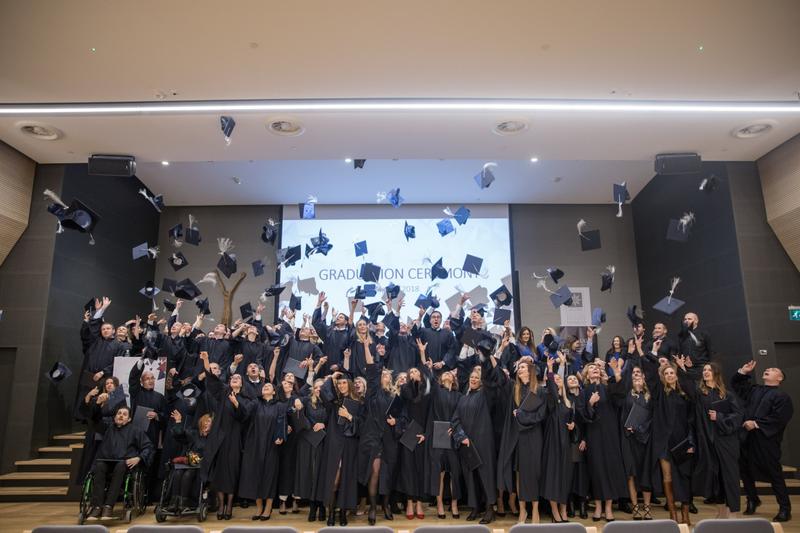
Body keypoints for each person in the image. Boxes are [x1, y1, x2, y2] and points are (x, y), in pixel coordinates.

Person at [677, 359, 743, 518]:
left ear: (716, 374)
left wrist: (719, 417)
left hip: (726, 442)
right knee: (715, 477)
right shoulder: (700, 394)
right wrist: (681, 368)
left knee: (730, 477)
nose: (705, 372)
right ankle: (720, 512)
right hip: (707, 442)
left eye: (709, 370)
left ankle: (732, 512)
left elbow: (738, 416)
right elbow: (687, 386)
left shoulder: (726, 394)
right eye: (704, 370)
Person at [638, 347, 695, 525]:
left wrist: (683, 369)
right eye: (667, 373)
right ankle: (673, 513)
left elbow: (693, 418)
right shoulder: (659, 393)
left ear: (677, 375)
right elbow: (650, 374)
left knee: (685, 476)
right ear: (663, 376)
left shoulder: (685, 394)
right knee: (667, 477)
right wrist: (652, 353)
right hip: (663, 442)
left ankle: (685, 512)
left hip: (683, 441)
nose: (670, 375)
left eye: (672, 372)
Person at [732, 360, 794, 522]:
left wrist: (757, 424)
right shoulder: (755, 390)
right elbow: (737, 385)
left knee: (775, 474)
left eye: (773, 369)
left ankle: (785, 508)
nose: (768, 369)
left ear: (779, 378)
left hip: (766, 440)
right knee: (745, 471)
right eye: (767, 369)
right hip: (747, 437)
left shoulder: (782, 396)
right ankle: (752, 500)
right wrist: (744, 372)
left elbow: (780, 418)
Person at [494, 350, 547, 524]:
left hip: (534, 436)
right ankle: (523, 510)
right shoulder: (514, 389)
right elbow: (499, 376)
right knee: (520, 474)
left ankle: (535, 510)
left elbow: (540, 416)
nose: (520, 369)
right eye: (519, 367)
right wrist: (498, 352)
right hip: (518, 437)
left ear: (530, 370)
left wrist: (522, 416)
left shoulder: (538, 390)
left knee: (534, 473)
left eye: (523, 366)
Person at [198, 350, 250, 520]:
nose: (235, 380)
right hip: (219, 438)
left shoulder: (246, 398)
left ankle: (229, 506)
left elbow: (245, 417)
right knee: (219, 474)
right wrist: (206, 359)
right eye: (233, 378)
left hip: (234, 440)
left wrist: (237, 405)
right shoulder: (223, 393)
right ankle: (220, 505)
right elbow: (211, 380)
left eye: (238, 379)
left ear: (242, 384)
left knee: (231, 472)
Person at [577, 362, 628, 521]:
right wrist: (590, 403)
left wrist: (616, 374)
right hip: (594, 435)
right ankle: (598, 506)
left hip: (610, 434)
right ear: (586, 374)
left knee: (611, 469)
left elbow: (620, 398)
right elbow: (581, 417)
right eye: (591, 368)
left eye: (597, 368)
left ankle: (608, 507)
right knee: (597, 469)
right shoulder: (584, 392)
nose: (595, 370)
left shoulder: (608, 388)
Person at [85, 405, 153, 521]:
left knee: (121, 465)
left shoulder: (135, 431)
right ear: (115, 416)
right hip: (106, 461)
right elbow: (95, 420)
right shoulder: (107, 428)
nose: (121, 415)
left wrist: (139, 458)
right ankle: (96, 506)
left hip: (124, 463)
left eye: (124, 414)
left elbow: (148, 447)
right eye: (119, 413)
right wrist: (97, 405)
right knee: (99, 465)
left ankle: (108, 506)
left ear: (129, 419)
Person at [451, 357, 497, 524]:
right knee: (471, 477)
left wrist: (487, 359)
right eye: (472, 378)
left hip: (483, 441)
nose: (474, 379)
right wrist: (461, 436)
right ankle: (475, 507)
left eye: (477, 378)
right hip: (467, 443)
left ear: (481, 381)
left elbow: (491, 380)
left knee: (486, 475)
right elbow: (454, 420)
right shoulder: (463, 398)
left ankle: (490, 509)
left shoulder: (485, 395)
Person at [357, 348, 401, 524]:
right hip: (373, 437)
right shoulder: (372, 394)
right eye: (382, 375)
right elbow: (371, 368)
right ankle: (373, 507)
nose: (384, 377)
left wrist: (396, 422)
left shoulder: (395, 396)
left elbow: (402, 417)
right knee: (374, 471)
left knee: (387, 474)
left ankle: (386, 504)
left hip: (389, 437)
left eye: (387, 376)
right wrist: (368, 346)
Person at [608, 361, 655, 520]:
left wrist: (639, 429)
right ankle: (635, 507)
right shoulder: (626, 395)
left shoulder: (650, 397)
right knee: (631, 474)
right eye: (633, 374)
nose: (636, 376)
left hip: (645, 439)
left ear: (644, 377)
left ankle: (647, 508)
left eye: (638, 374)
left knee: (646, 474)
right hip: (628, 439)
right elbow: (616, 400)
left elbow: (652, 419)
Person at [315, 369, 363, 526]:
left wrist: (349, 416)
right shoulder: (334, 403)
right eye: (339, 383)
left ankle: (343, 513)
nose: (341, 385)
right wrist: (332, 377)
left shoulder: (359, 403)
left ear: (349, 384)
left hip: (350, 445)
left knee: (346, 480)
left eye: (344, 382)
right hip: (334, 444)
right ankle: (331, 513)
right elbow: (322, 392)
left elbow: (362, 426)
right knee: (333, 480)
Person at [238, 381, 286, 520]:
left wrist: (280, 436)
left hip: (272, 444)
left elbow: (282, 421)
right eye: (264, 386)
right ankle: (259, 507)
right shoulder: (255, 403)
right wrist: (236, 403)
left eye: (269, 386)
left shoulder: (280, 406)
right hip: (255, 443)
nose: (265, 387)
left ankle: (268, 508)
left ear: (274, 392)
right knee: (255, 474)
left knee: (269, 475)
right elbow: (244, 412)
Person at [541, 357, 576, 523]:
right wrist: (550, 369)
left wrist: (573, 425)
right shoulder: (550, 398)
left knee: (565, 476)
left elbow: (573, 420)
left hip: (565, 442)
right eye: (554, 380)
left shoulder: (569, 401)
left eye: (559, 379)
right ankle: (555, 511)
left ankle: (563, 508)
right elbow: (553, 392)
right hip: (552, 441)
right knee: (553, 475)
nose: (556, 381)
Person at [76, 297, 122, 420]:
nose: (105, 330)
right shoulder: (96, 341)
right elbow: (93, 327)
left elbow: (118, 363)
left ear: (113, 331)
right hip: (90, 377)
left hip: (106, 379)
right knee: (87, 407)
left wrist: (103, 372)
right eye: (103, 329)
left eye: (108, 328)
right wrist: (101, 310)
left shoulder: (118, 345)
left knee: (104, 410)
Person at [296, 378, 329, 522]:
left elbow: (334, 420)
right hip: (308, 441)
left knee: (321, 473)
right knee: (311, 473)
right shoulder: (307, 401)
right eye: (316, 387)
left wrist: (324, 424)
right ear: (313, 389)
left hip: (324, 441)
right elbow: (297, 404)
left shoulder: (329, 403)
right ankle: (313, 505)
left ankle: (321, 505)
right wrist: (297, 402)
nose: (319, 389)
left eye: (322, 387)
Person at [168, 410, 212, 513]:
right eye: (204, 421)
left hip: (200, 468)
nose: (206, 423)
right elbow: (179, 435)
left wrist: (195, 460)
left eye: (209, 421)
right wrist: (178, 421)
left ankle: (185, 503)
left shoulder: (213, 439)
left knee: (188, 474)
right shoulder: (194, 434)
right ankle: (174, 502)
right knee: (178, 473)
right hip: (187, 463)